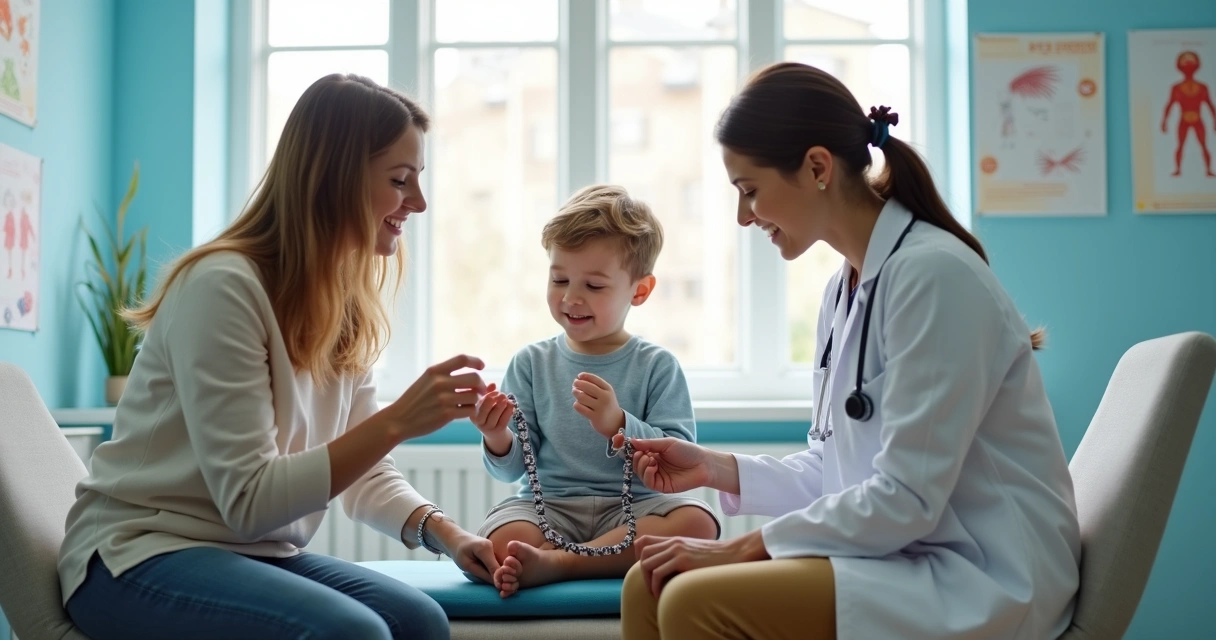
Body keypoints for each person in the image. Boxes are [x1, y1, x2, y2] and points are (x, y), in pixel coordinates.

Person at [619, 61, 1081, 640]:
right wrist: (716, 468)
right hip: (908, 553)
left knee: (693, 601)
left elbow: (907, 497)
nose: (743, 217)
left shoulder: (932, 276)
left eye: (750, 190)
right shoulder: (846, 288)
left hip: (984, 574)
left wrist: (742, 549)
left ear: (816, 167)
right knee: (650, 582)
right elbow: (834, 470)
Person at [57, 74, 501, 640]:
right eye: (399, 180)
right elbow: (249, 501)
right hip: (136, 553)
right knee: (351, 633)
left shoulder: (345, 304)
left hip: (247, 554)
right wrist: (398, 421)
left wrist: (447, 533)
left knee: (419, 620)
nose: (418, 202)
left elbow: (363, 473)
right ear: (335, 177)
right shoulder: (221, 287)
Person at [472, 185, 719, 598]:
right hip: (549, 507)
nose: (571, 297)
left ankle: (563, 562)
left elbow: (679, 460)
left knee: (698, 524)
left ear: (639, 291)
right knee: (498, 540)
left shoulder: (657, 366)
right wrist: (497, 437)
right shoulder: (531, 364)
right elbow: (512, 470)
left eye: (594, 286)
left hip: (635, 509)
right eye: (560, 279)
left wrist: (620, 424)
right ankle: (578, 557)